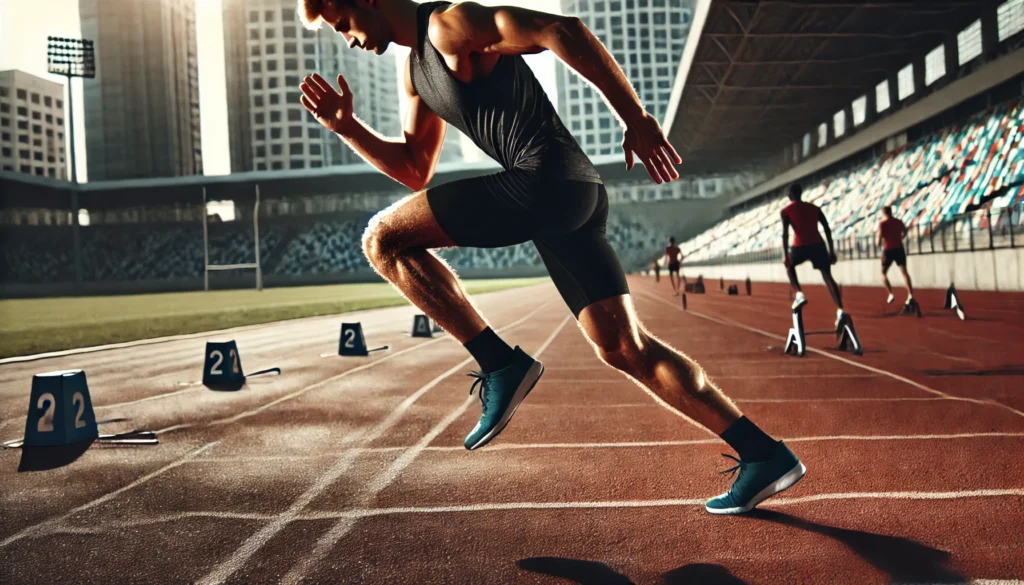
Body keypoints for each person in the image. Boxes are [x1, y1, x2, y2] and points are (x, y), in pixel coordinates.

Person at [298, 0, 805, 514]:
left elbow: (559, 28)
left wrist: (637, 117)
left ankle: (500, 364)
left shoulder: (448, 24)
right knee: (624, 347)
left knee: (381, 240)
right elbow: (414, 168)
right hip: (573, 193)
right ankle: (763, 454)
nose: (349, 40)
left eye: (344, 24)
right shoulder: (416, 74)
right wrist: (349, 129)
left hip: (543, 181)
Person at [781, 183, 845, 326]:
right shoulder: (815, 208)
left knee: (789, 266)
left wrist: (786, 254)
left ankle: (799, 293)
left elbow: (785, 235)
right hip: (818, 245)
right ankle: (840, 310)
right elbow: (827, 229)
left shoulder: (786, 211)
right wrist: (831, 250)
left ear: (789, 196)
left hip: (800, 246)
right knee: (828, 277)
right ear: (801, 193)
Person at [878, 206, 914, 305]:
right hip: (899, 248)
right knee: (905, 273)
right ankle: (910, 295)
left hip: (888, 250)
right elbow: (905, 231)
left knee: (883, 273)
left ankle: (890, 293)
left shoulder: (882, 224)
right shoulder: (898, 222)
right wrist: (900, 238)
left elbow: (879, 238)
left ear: (883, 213)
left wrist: (879, 246)